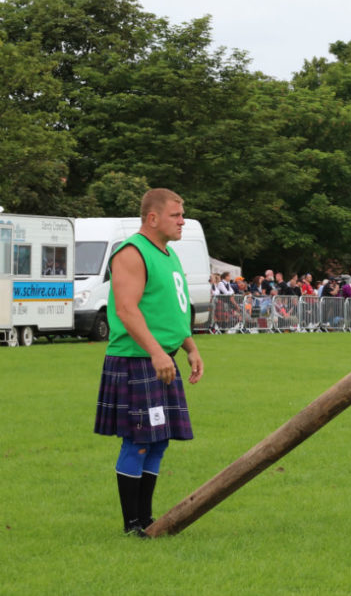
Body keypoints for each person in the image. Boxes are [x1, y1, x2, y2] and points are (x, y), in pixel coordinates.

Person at [93, 188, 205, 538]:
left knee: (158, 440)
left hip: (161, 357)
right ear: (152, 218)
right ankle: (132, 525)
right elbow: (127, 309)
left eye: (182, 215)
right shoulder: (131, 253)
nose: (182, 220)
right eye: (175, 215)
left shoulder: (167, 254)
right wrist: (157, 352)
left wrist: (189, 347)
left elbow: (169, 309)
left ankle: (147, 519)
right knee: (138, 441)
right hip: (137, 360)